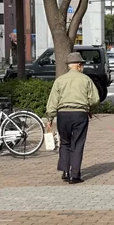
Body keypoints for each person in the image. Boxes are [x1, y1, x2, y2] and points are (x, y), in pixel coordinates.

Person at [46, 52, 100, 184]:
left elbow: (53, 101)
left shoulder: (60, 80)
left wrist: (50, 117)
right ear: (79, 65)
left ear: (69, 66)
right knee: (77, 144)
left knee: (65, 143)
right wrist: (87, 106)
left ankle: (65, 171)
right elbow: (95, 99)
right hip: (79, 114)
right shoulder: (86, 79)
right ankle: (74, 175)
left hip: (63, 114)